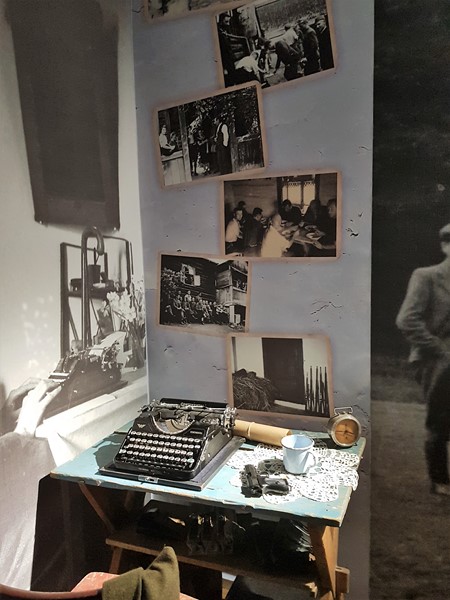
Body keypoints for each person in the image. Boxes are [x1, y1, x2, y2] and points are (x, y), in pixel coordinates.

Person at [396, 223, 450, 496]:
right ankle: (440, 480)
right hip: (436, 360)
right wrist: (440, 348)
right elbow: (407, 320)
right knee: (439, 420)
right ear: (445, 246)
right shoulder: (427, 276)